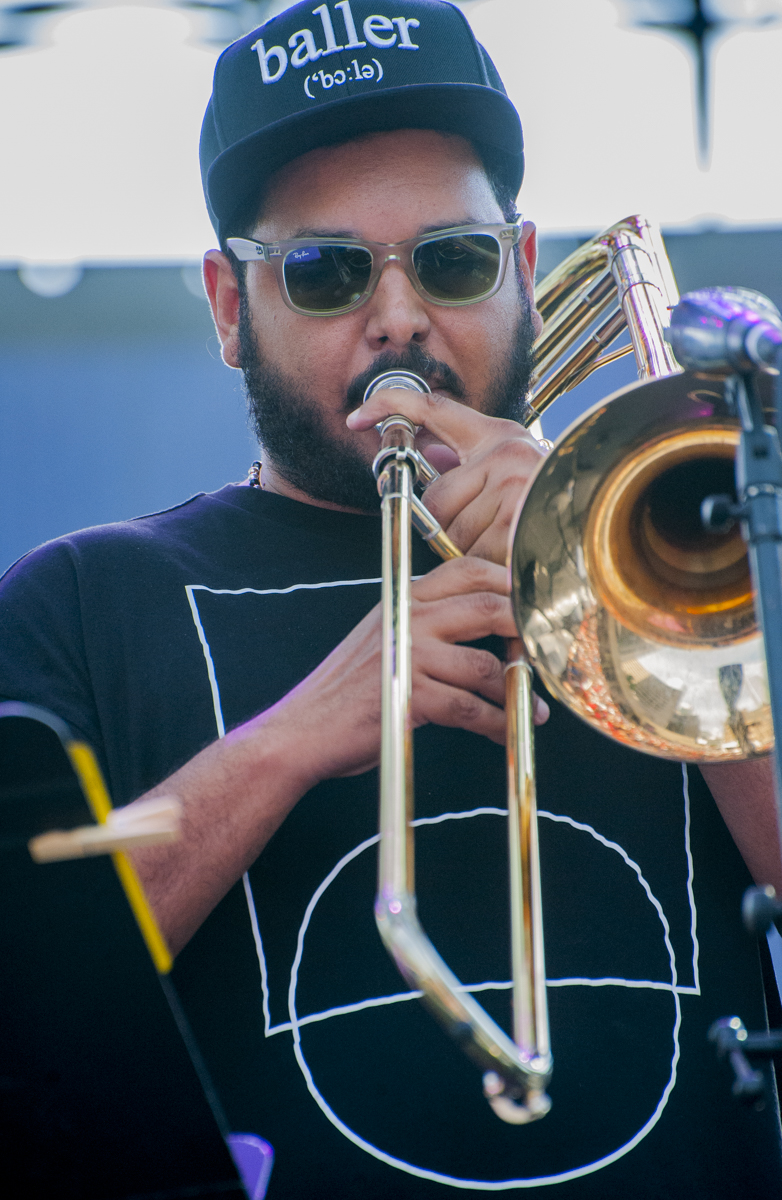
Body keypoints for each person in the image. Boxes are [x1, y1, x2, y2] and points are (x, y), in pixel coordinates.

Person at [2, 1, 782, 1195]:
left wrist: (639, 594)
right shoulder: (85, 601)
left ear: (521, 271)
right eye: (324, 272)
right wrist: (281, 744)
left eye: (454, 260)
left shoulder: (721, 549)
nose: (402, 316)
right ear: (226, 306)